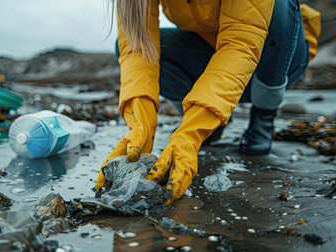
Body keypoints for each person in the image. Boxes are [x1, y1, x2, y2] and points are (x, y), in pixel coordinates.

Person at [95, 0, 321, 204]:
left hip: (276, 57)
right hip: (213, 57)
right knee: (138, 43)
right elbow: (138, 50)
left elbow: (241, 43)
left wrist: (190, 134)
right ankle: (208, 123)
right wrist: (141, 124)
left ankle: (263, 115)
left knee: (279, 4)